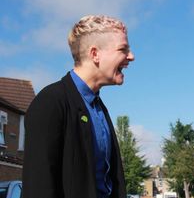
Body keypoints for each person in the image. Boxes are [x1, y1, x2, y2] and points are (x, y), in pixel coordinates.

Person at [22, 15, 135, 198]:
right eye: (123, 49)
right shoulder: (50, 102)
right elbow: (38, 187)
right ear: (95, 54)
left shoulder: (98, 107)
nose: (131, 56)